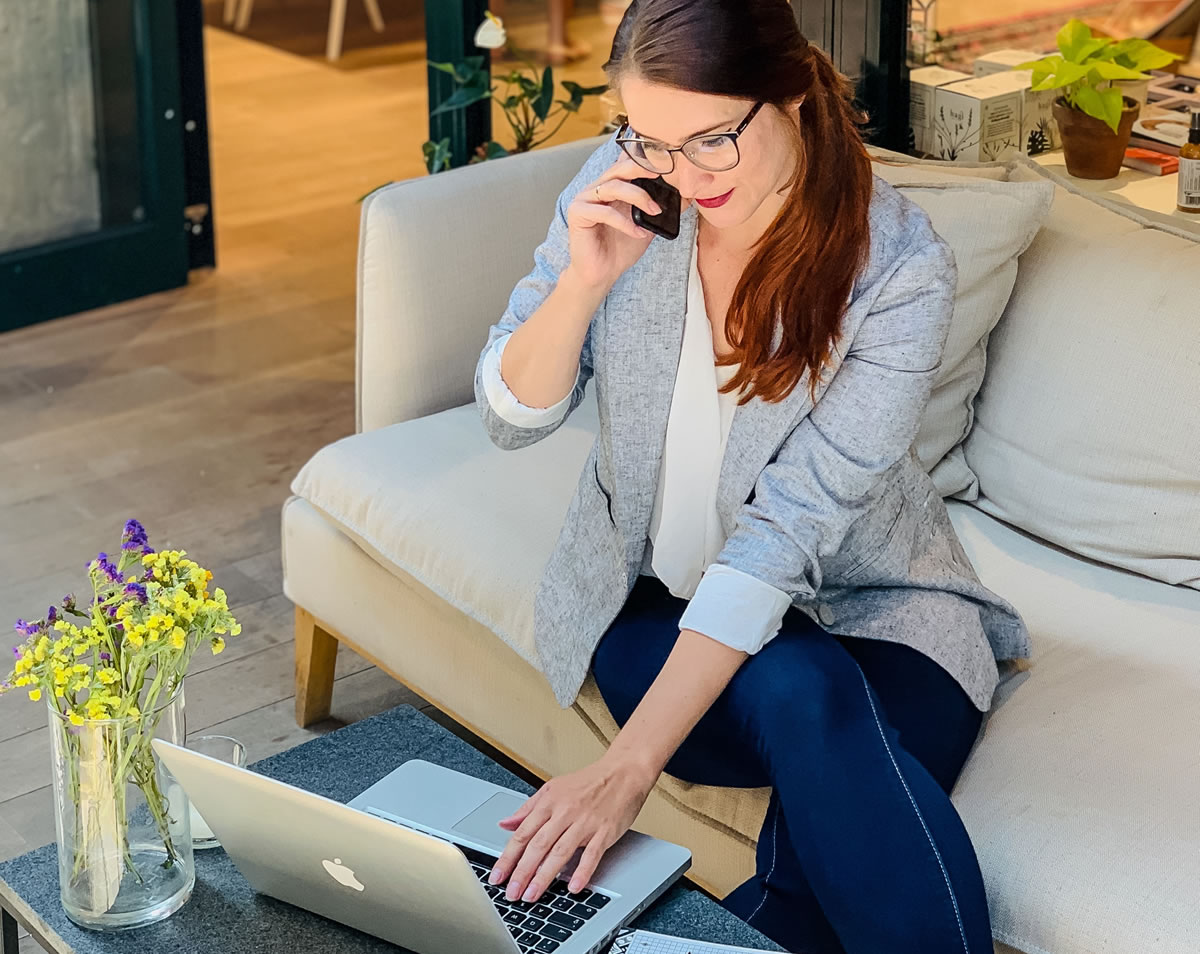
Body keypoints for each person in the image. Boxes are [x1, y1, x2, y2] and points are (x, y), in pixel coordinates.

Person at [471, 1, 1033, 951]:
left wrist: (624, 776)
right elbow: (508, 418)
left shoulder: (896, 268)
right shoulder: (623, 191)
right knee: (798, 686)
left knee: (802, 869)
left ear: (796, 99)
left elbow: (782, 538)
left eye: (713, 140)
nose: (682, 175)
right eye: (651, 139)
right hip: (650, 612)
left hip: (880, 611)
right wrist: (581, 285)